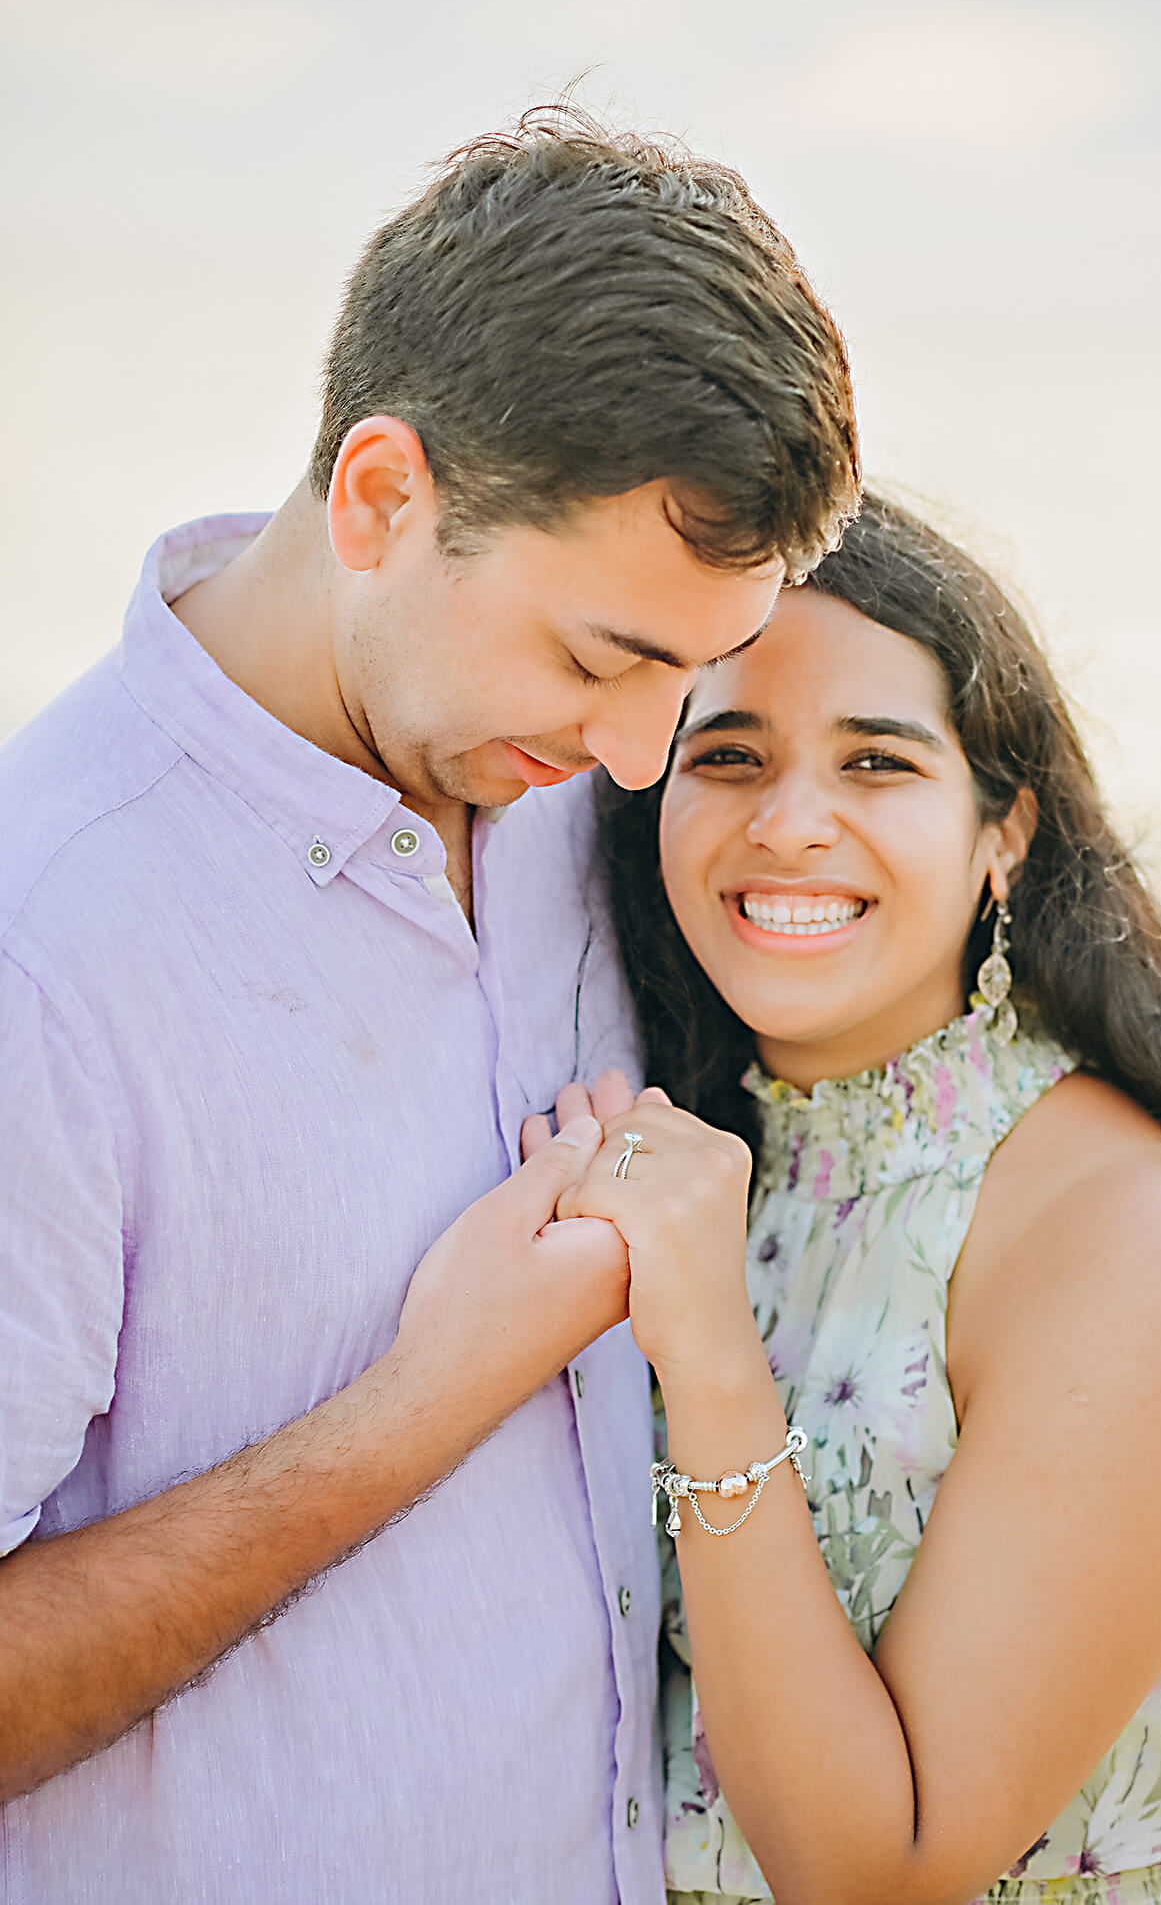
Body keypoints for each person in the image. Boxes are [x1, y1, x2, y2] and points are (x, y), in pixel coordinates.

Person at [0, 109, 860, 1903]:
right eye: (599, 659)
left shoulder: (566, 791)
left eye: (693, 676)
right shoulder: (47, 944)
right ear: (384, 497)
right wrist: (423, 1400)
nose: (640, 759)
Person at [543, 493, 1161, 1904]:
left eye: (877, 763)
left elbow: (877, 1873)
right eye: (728, 754)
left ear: (1003, 833)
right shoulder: (709, 1140)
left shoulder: (1118, 1239)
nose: (791, 824)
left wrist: (713, 1353)